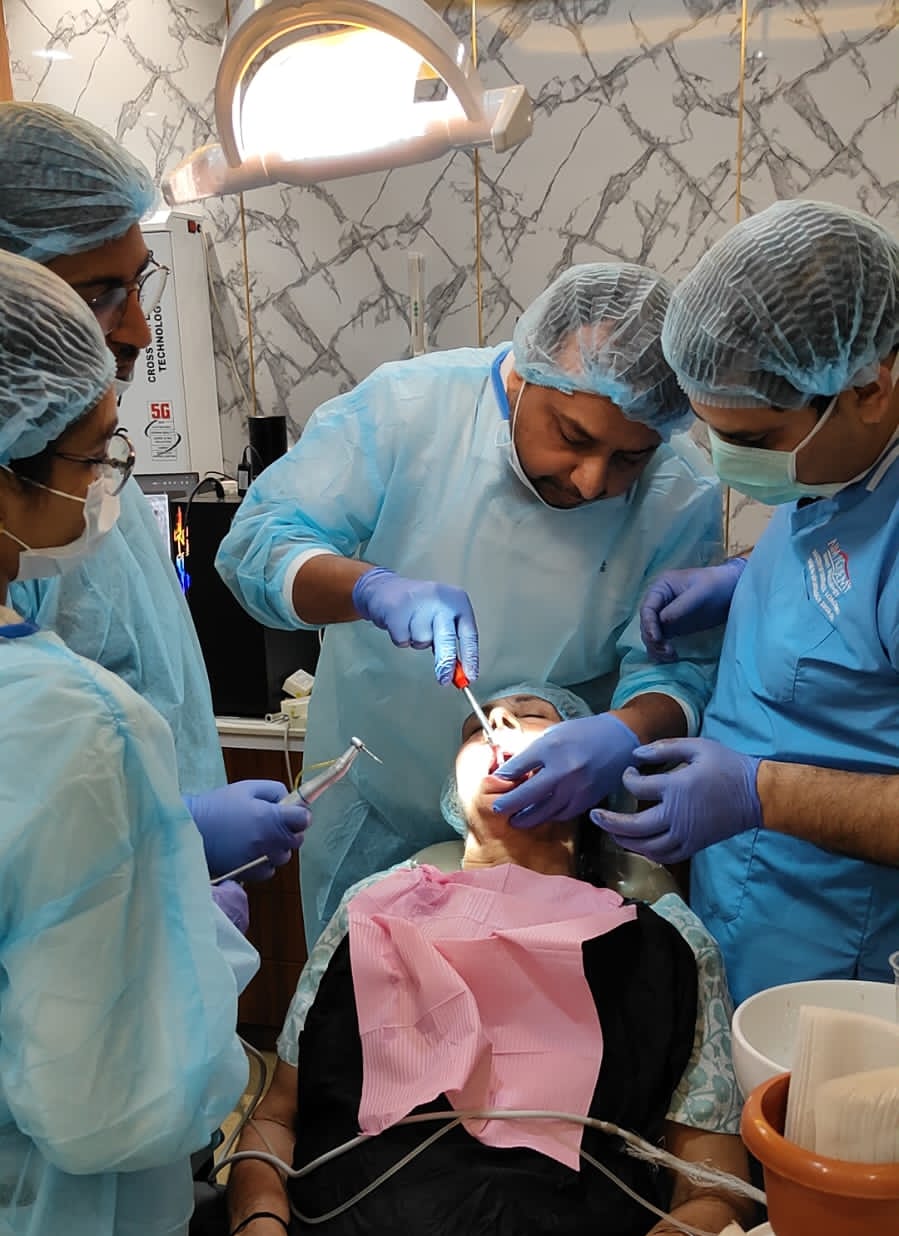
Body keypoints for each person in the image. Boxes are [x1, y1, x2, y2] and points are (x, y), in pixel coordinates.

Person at [88, 685, 751, 1236]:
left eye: (535, 721)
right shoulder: (372, 905)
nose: (503, 729)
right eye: (484, 725)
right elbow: (275, 1114)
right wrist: (256, 1230)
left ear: (593, 772)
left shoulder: (665, 944)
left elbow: (715, 1200)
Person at [0, 250, 261, 1236]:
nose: (108, 485)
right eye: (97, 453)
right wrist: (195, 946)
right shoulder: (68, 730)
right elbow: (112, 1108)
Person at [215, 262, 724, 944]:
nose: (591, 480)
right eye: (573, 437)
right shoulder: (410, 411)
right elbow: (259, 544)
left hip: (548, 842)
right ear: (523, 376)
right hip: (374, 811)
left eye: (630, 459)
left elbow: (677, 669)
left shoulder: (678, 494)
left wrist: (623, 732)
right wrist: (368, 588)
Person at [593, 201, 899, 1003]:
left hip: (835, 966)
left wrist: (759, 792)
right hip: (741, 914)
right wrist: (738, 580)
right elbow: (839, 580)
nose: (727, 462)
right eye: (711, 433)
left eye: (753, 441)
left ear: (868, 387)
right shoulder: (839, 468)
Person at [0, 101, 309, 883]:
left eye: (139, 284)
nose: (138, 330)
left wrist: (182, 842)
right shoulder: (22, 512)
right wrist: (169, 835)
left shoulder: (84, 475)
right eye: (101, 294)